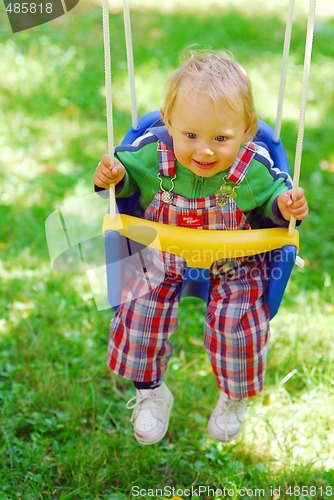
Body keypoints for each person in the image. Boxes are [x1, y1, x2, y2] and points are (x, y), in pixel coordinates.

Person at [94, 49, 309, 445]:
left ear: (246, 131)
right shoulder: (151, 154)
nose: (204, 150)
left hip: (234, 263)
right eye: (190, 135)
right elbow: (123, 183)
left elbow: (275, 202)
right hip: (161, 255)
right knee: (138, 309)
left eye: (221, 138)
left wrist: (286, 206)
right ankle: (150, 392)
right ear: (169, 122)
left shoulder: (253, 170)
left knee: (239, 323)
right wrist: (113, 176)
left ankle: (234, 395)